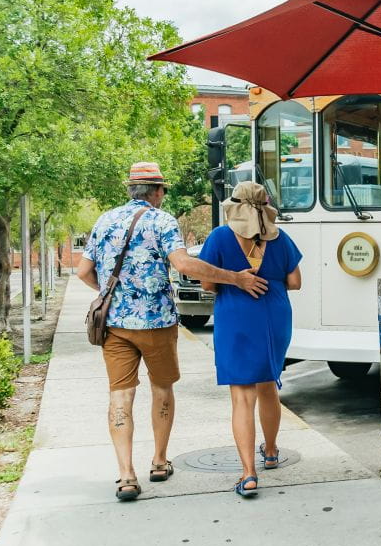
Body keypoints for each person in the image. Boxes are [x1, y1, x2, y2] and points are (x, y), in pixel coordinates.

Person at [76, 162, 268, 501]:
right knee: (162, 388)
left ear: (129, 190)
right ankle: (160, 461)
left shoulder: (105, 220)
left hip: (115, 326)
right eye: (162, 189)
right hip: (157, 324)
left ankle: (125, 475)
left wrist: (110, 294)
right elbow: (183, 265)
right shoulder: (161, 220)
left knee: (120, 396)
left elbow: (83, 271)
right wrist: (235, 277)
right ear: (158, 192)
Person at [199, 181, 302, 498]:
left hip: (236, 315)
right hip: (275, 315)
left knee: (242, 396)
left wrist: (233, 282)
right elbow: (295, 282)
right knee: (269, 384)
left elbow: (206, 283)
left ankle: (248, 474)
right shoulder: (281, 238)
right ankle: (270, 451)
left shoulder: (220, 237)